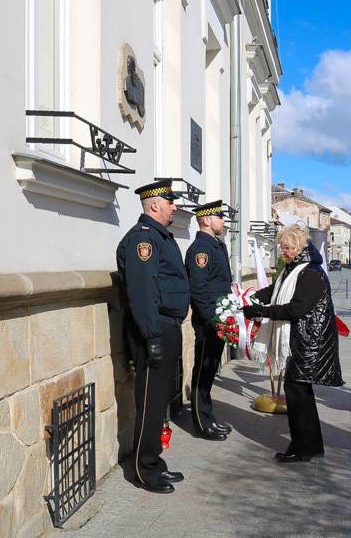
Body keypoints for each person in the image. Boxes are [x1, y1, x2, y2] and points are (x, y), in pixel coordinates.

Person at [242, 224, 344, 462]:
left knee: (298, 394)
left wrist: (261, 311)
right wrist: (251, 297)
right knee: (300, 393)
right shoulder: (294, 269)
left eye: (287, 247)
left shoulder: (310, 273)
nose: (283, 252)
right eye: (282, 247)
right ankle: (310, 445)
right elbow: (275, 291)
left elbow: (296, 309)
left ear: (299, 247)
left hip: (309, 343)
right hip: (300, 341)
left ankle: (303, 447)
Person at [116, 179, 190, 494]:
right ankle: (143, 469)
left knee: (159, 402)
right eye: (170, 202)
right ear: (155, 205)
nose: (175, 207)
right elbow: (143, 292)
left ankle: (153, 461)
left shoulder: (161, 237)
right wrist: (152, 337)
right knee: (149, 403)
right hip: (154, 330)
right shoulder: (143, 239)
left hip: (166, 327)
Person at [185, 200, 233, 441]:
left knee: (210, 370)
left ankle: (207, 416)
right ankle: (201, 423)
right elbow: (199, 290)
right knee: (203, 371)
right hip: (209, 322)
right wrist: (212, 320)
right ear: (206, 220)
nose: (223, 221)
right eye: (219, 216)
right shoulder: (201, 250)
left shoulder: (216, 245)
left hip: (220, 320)